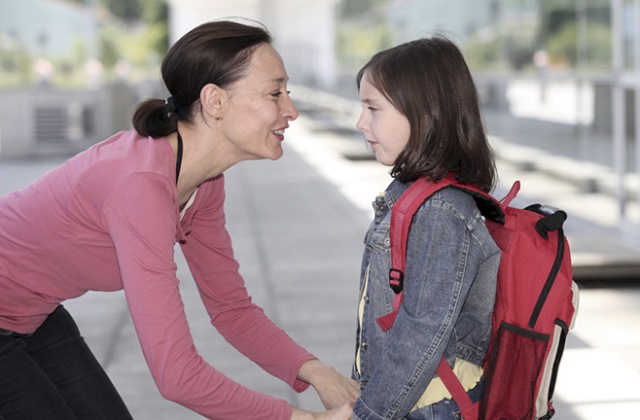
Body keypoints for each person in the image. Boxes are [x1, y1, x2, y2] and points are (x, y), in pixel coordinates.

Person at [0, 19, 358, 420]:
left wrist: (318, 373)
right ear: (215, 101)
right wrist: (301, 418)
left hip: (32, 314)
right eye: (275, 93)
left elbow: (231, 310)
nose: (290, 109)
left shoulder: (202, 183)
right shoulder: (139, 187)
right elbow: (176, 375)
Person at [350, 36, 502, 419]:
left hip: (432, 407)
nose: (360, 122)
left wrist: (369, 413)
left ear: (424, 113)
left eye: (373, 108)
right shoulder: (413, 196)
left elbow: (423, 332)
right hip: (413, 400)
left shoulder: (441, 211)